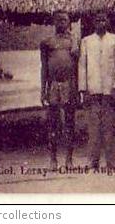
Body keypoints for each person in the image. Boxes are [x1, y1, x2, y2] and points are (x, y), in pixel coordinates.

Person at [78, 12, 115, 169]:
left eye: (104, 19)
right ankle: (93, 160)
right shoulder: (86, 41)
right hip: (93, 88)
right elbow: (83, 66)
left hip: (109, 89)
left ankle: (111, 160)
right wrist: (83, 89)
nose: (101, 22)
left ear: (108, 21)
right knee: (94, 126)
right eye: (97, 20)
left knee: (110, 125)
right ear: (93, 22)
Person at [40, 9, 79, 170]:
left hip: (69, 85)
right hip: (54, 86)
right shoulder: (47, 42)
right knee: (53, 123)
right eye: (59, 20)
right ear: (54, 22)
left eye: (65, 20)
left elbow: (78, 68)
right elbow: (44, 68)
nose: (62, 23)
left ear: (69, 23)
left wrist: (77, 89)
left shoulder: (74, 42)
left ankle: (69, 160)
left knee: (70, 122)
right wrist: (43, 90)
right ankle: (53, 159)